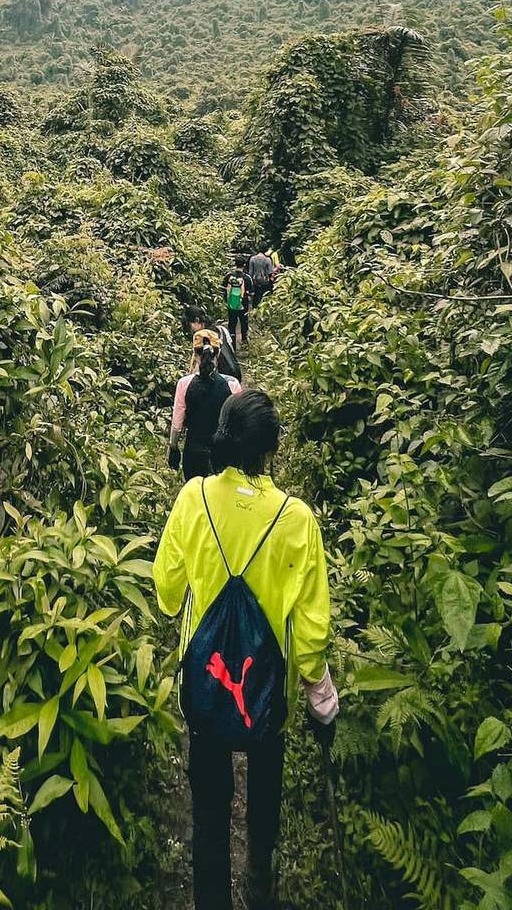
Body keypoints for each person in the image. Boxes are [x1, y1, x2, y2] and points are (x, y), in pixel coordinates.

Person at [153, 389, 339, 910]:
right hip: (267, 697)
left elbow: (167, 596)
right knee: (263, 809)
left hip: (207, 690)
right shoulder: (297, 519)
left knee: (210, 815)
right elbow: (309, 632)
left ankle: (211, 898)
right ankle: (261, 881)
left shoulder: (193, 499)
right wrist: (322, 701)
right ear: (270, 450)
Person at [168, 330, 241, 481]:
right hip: (223, 453)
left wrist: (173, 448)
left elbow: (177, 425)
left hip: (193, 452)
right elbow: (238, 425)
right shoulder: (232, 384)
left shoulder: (184, 384)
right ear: (218, 353)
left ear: (195, 354)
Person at [188, 305, 241, 381]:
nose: (191, 329)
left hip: (216, 379)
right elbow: (231, 350)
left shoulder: (200, 338)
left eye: (190, 325)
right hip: (234, 373)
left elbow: (199, 366)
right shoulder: (222, 330)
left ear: (197, 320)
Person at [221, 261, 251, 345]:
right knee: (243, 321)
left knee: (232, 323)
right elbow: (251, 292)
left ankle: (232, 342)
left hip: (231, 303)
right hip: (243, 303)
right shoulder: (247, 277)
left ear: (235, 264)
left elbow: (223, 288)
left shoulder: (229, 276)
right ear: (244, 265)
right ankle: (244, 340)